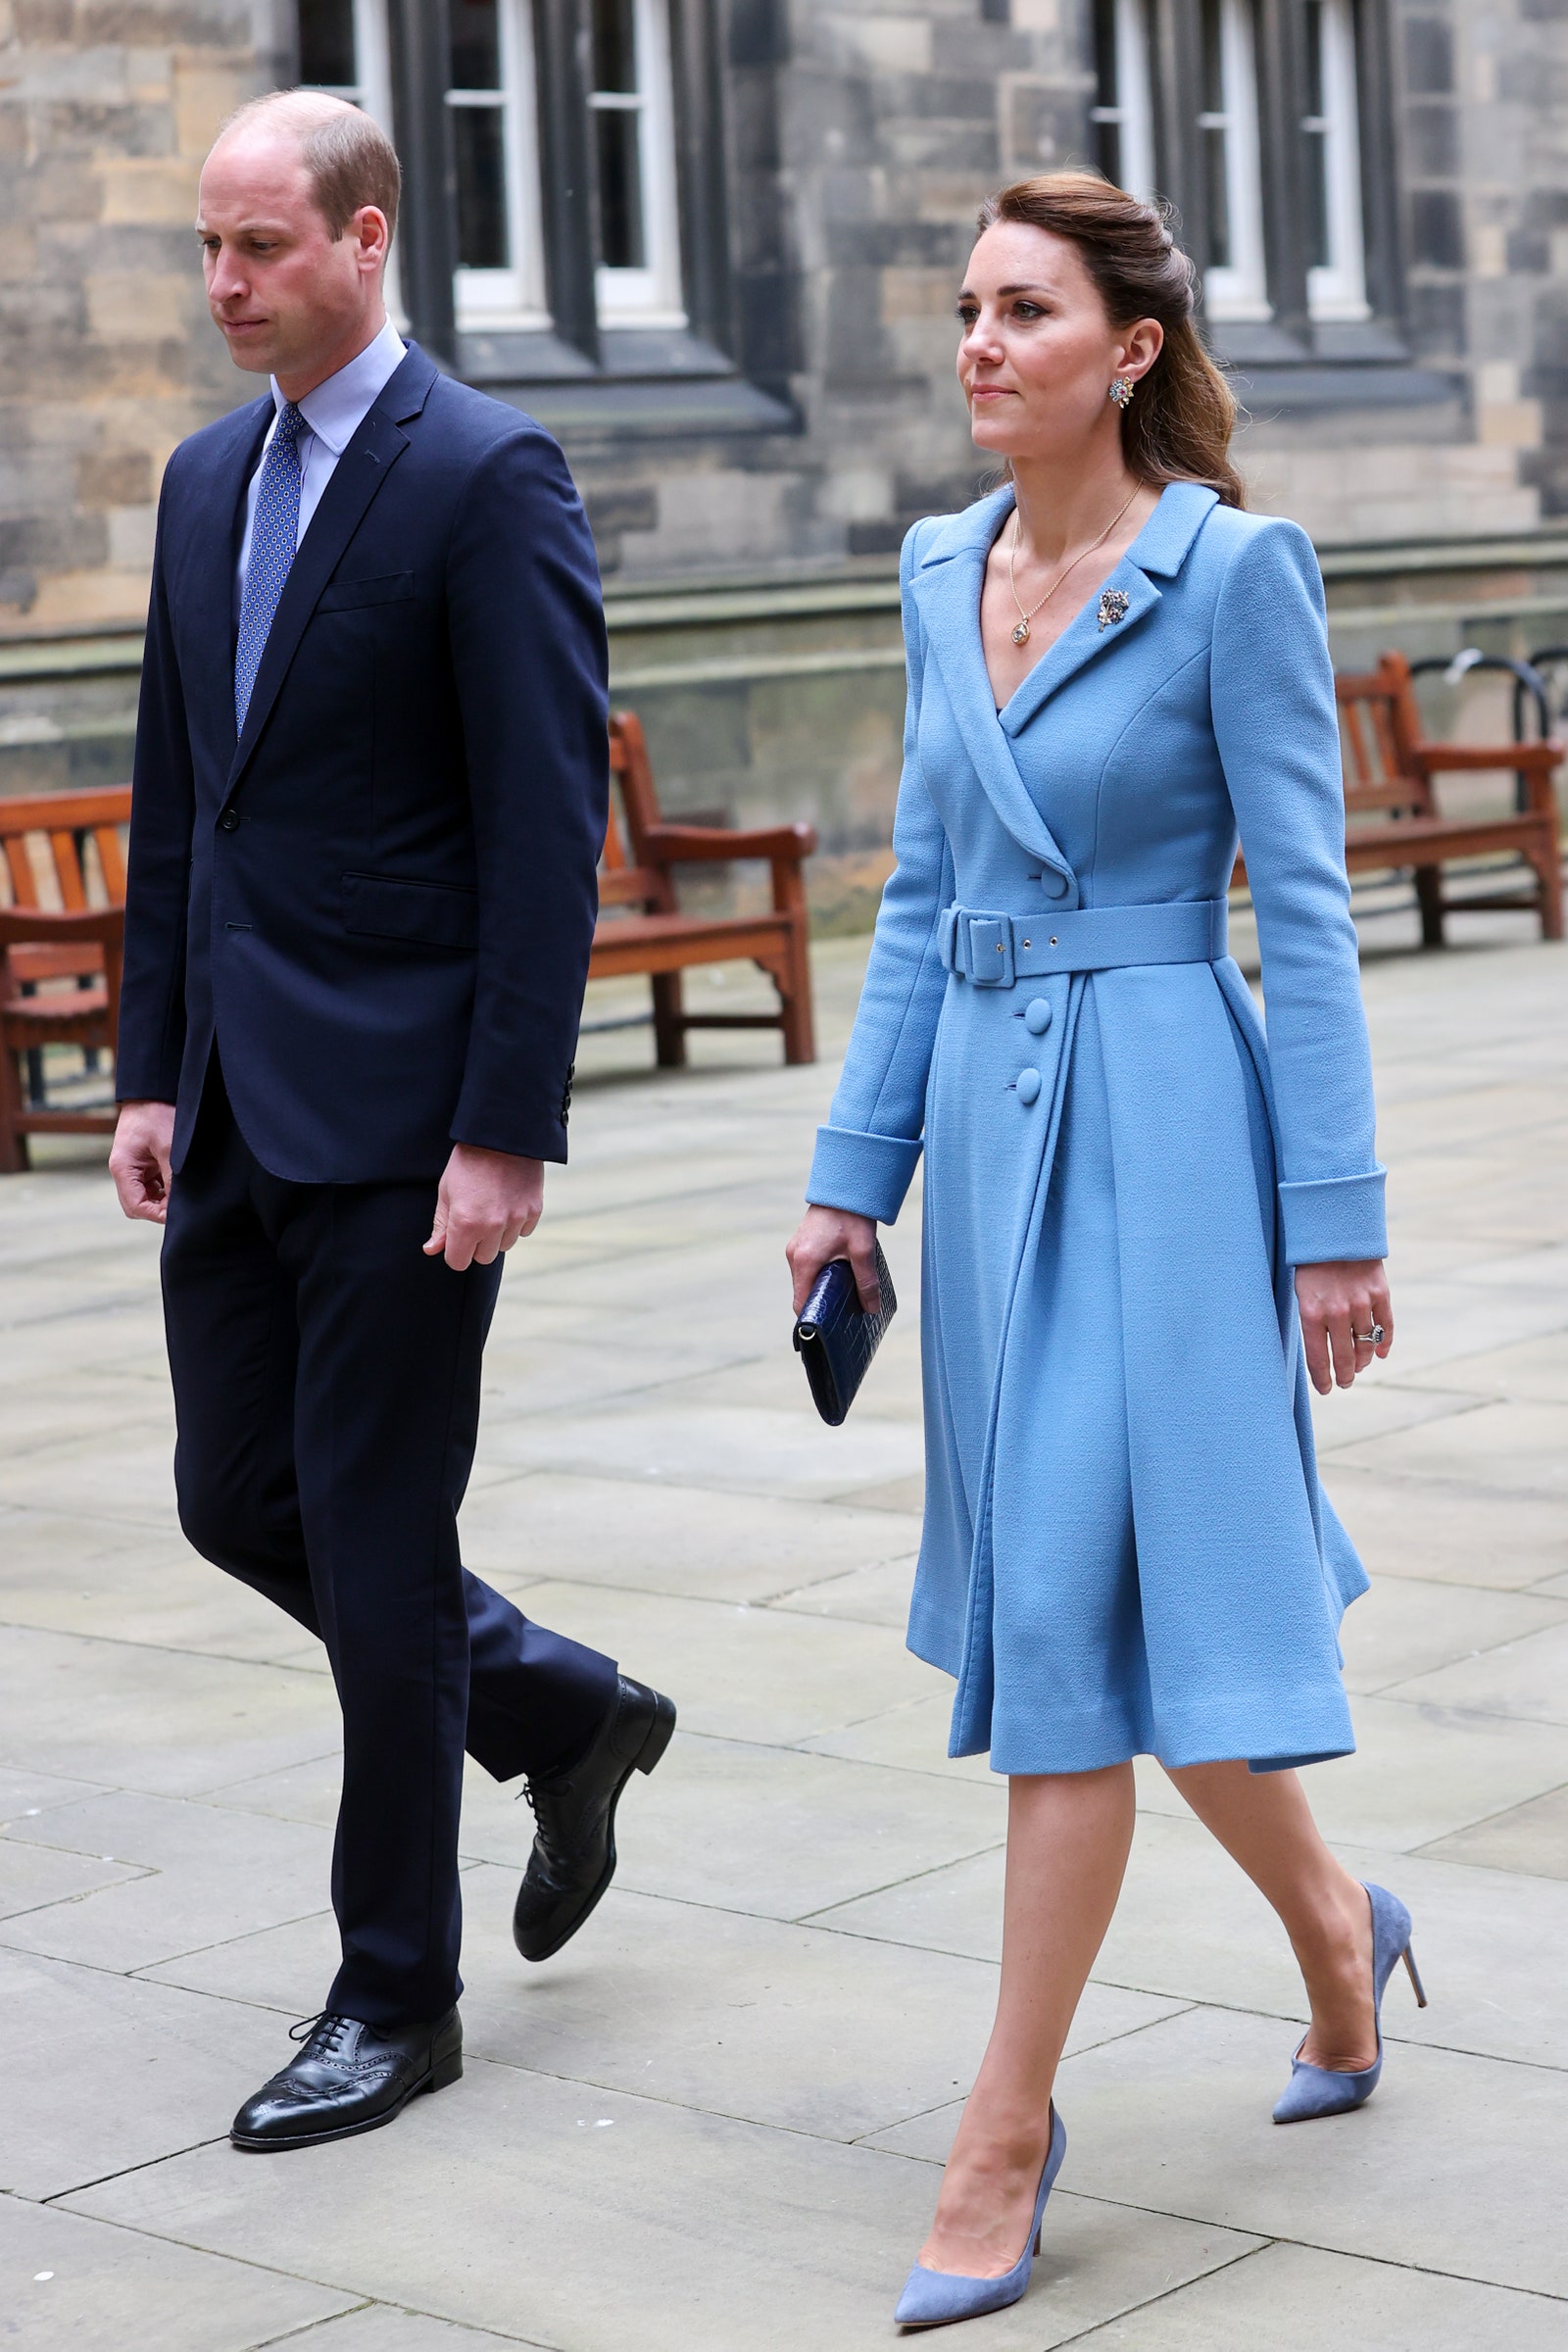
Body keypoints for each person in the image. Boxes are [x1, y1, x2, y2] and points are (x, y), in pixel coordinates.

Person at [787, 172, 1421, 2331]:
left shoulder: (1232, 570)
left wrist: (1325, 1225)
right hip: (985, 1119)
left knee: (1070, 1633)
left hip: (1167, 1116)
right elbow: (911, 889)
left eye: (1023, 311)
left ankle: (999, 2130)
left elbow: (1305, 911)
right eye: (963, 309)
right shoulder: (932, 566)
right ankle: (1339, 1934)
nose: (976, 345)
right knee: (1105, 1611)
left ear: (1128, 347)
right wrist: (847, 1165)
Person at [110, 89, 675, 2153]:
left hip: (413, 1114)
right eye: (206, 247)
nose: (227, 285)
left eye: (262, 248)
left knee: (368, 1530)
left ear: (365, 242)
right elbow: (188, 806)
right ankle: (556, 1705)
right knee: (230, 1500)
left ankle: (391, 1993)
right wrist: (152, 1069)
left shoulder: (484, 473)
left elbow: (542, 828)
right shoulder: (195, 483)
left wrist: (504, 1124)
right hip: (242, 1105)